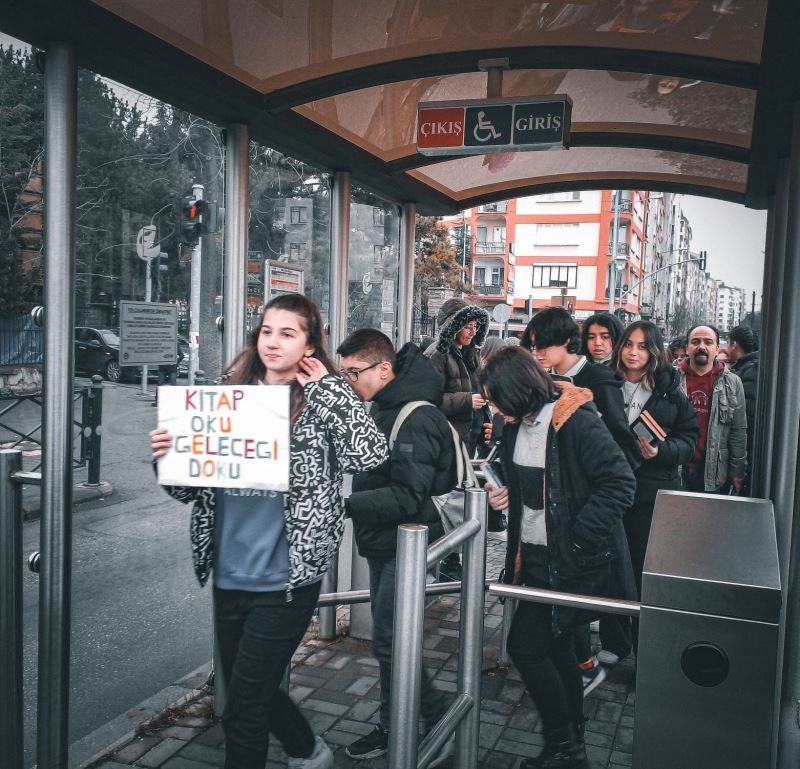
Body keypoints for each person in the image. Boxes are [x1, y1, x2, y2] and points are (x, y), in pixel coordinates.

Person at [149, 294, 388, 769]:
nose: (273, 342)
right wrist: (168, 461)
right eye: (267, 331)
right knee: (245, 686)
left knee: (243, 708)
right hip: (230, 569)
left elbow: (369, 456)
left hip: (287, 576)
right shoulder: (225, 393)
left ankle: (302, 751)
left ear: (309, 344)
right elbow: (191, 493)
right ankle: (307, 750)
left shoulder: (321, 399)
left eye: (288, 333)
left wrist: (331, 391)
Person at [482, 347, 635, 769]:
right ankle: (572, 747)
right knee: (560, 649)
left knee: (525, 648)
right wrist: (506, 494)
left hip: (567, 561)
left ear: (518, 389)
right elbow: (538, 489)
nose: (492, 407)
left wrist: (581, 537)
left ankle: (564, 743)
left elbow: (620, 483)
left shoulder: (574, 421)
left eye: (496, 398)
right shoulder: (515, 425)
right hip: (530, 557)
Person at [336, 329, 454, 765]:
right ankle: (401, 721)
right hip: (385, 541)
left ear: (384, 369)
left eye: (354, 373)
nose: (350, 382)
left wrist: (343, 505)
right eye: (344, 373)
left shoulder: (413, 416)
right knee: (391, 641)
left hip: (403, 543)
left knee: (391, 642)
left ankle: (426, 718)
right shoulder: (386, 406)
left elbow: (408, 495)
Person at [522, 307, 639, 682]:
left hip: (589, 506)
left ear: (565, 343)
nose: (537, 354)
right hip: (553, 511)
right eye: (532, 347)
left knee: (602, 584)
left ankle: (603, 654)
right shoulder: (540, 381)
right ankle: (576, 664)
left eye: (543, 346)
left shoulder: (600, 381)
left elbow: (622, 451)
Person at [611, 322, 699, 629]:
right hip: (606, 490)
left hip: (648, 493)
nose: (634, 352)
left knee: (639, 565)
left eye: (643, 346)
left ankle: (639, 640)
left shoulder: (669, 389)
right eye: (628, 344)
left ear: (654, 351)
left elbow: (689, 438)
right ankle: (614, 638)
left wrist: (660, 452)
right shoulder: (604, 383)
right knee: (609, 568)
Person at [426, 297, 491, 580]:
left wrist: (488, 424)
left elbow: (481, 397)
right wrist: (467, 400)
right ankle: (444, 560)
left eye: (477, 326)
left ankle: (449, 559)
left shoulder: (470, 355)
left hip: (466, 442)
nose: (472, 331)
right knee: (447, 502)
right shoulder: (436, 355)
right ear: (452, 326)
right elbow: (428, 399)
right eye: (467, 325)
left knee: (458, 500)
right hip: (446, 442)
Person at [678, 324, 747, 494]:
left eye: (708, 342)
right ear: (687, 348)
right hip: (676, 468)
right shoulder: (671, 378)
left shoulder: (732, 383)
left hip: (713, 471)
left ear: (717, 349)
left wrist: (737, 472)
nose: (701, 346)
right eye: (695, 342)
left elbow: (738, 431)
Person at [727, 325, 759, 495]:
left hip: (748, 459)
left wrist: (739, 466)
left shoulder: (748, 372)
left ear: (733, 344)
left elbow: (746, 421)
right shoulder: (747, 368)